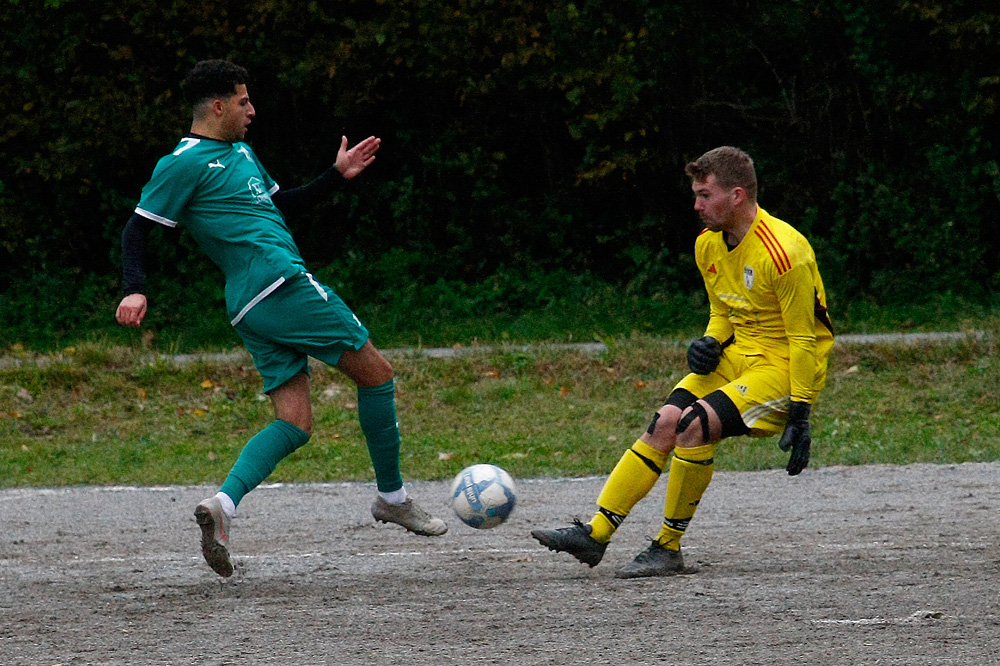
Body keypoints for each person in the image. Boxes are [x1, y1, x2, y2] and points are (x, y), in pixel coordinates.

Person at [115, 59, 447, 578]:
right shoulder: (181, 163)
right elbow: (136, 230)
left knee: (294, 422)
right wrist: (135, 289)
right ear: (219, 106)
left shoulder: (241, 153)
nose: (253, 110)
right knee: (377, 376)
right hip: (281, 283)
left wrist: (334, 176)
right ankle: (393, 497)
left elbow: (280, 206)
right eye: (244, 101)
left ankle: (221, 509)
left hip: (250, 306)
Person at [531, 146, 834, 578]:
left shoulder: (784, 252)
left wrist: (800, 412)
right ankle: (594, 534)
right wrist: (708, 343)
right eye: (695, 194)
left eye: (704, 195)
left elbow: (804, 337)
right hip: (740, 356)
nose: (696, 205)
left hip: (786, 367)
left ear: (737, 195)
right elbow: (724, 311)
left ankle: (668, 547)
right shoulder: (707, 246)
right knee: (667, 421)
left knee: (695, 425)